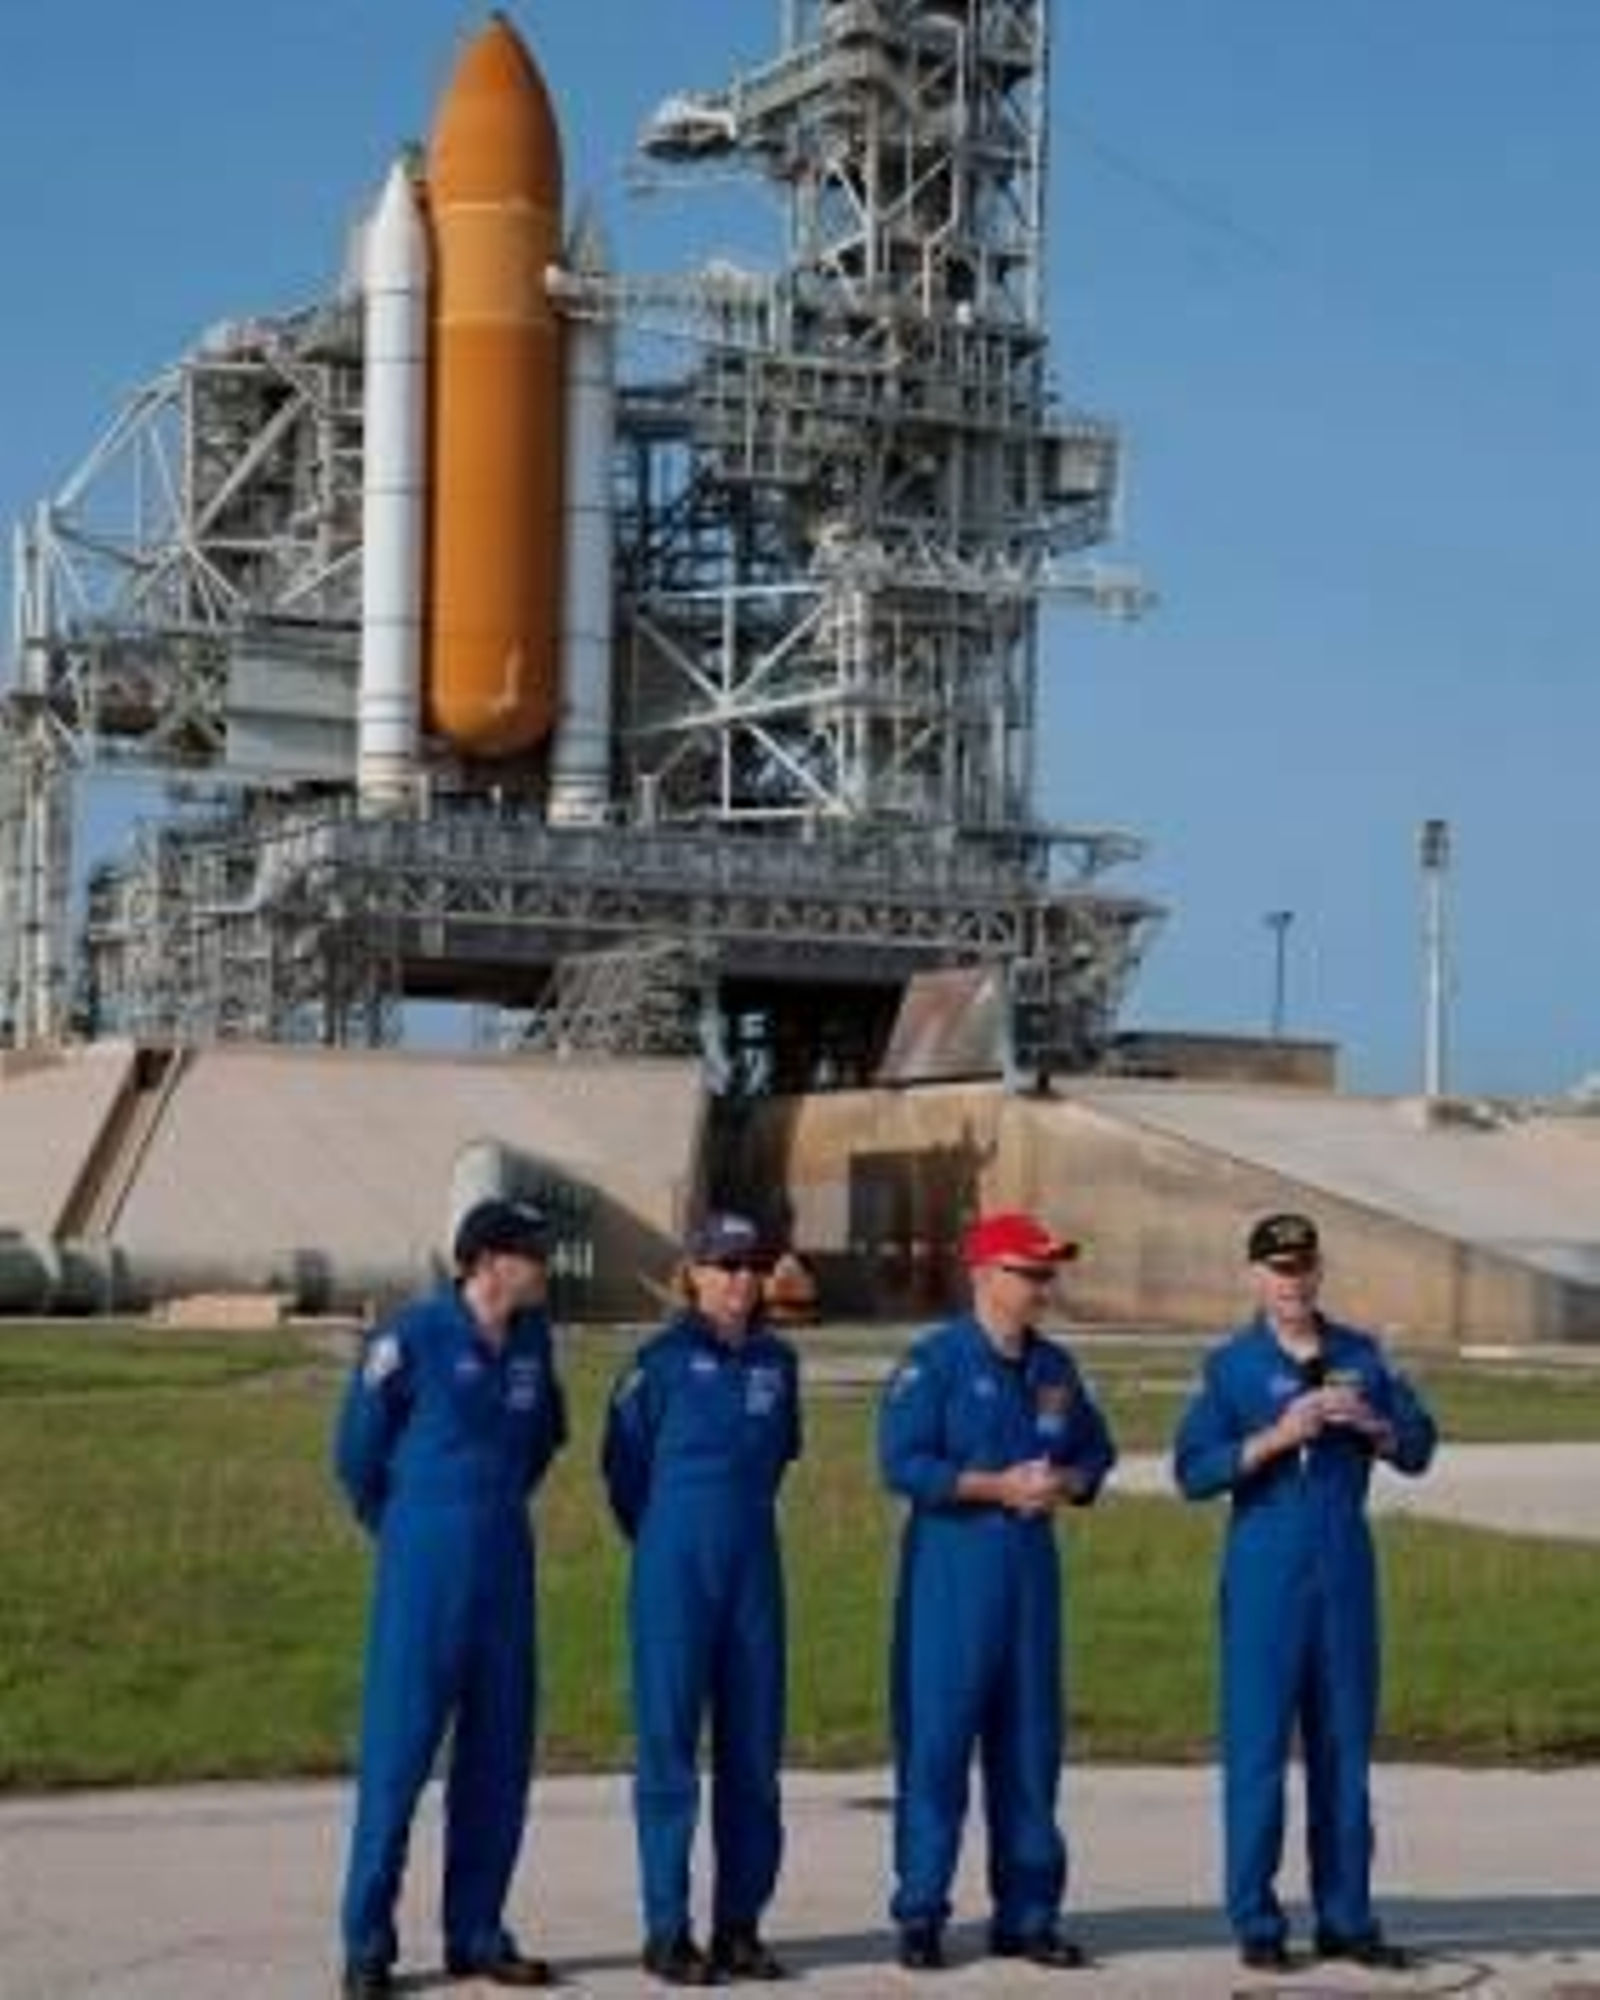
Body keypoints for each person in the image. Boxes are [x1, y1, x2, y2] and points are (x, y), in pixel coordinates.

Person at [1172, 1212, 1438, 1974]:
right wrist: (1278, 1436)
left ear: (1319, 1272)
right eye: (1279, 1270)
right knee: (1257, 1749)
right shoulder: (1230, 1366)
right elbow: (1193, 1471)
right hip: (1266, 1564)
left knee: (1344, 1750)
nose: (1293, 1283)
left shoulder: (1361, 1354)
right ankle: (1257, 1920)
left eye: (1304, 1268)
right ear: (1256, 1277)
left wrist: (1377, 1425)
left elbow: (1420, 1446)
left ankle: (1346, 1916)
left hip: (1344, 1563)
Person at [334, 1198, 567, 1997]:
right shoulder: (412, 1337)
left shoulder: (535, 1341)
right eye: (534, 1252)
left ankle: (477, 1931)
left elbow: (542, 1441)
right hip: (425, 1566)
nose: (546, 1265)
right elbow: (357, 1454)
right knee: (398, 1758)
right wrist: (405, 1526)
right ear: (488, 1260)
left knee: (499, 1759)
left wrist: (493, 1506)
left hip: (505, 1564)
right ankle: (368, 1945)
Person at [878, 1209, 1116, 1974]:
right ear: (985, 1275)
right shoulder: (936, 1362)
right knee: (938, 1746)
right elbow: (902, 1461)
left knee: (1030, 1746)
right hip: (954, 1571)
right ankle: (921, 1913)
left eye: (1049, 1272)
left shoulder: (1055, 1369)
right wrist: (991, 1486)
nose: (1044, 1286)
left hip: (1029, 1577)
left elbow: (1096, 1449)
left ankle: (1028, 1913)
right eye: (1031, 1271)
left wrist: (1069, 1481)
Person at [602, 1211, 802, 1987]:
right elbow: (624, 1475)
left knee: (753, 1753)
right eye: (723, 1266)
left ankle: (740, 1926)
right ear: (693, 1275)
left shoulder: (778, 1366)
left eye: (751, 1267)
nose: (740, 1281)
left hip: (753, 1569)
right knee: (669, 1752)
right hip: (673, 1572)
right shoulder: (655, 1364)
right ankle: (666, 1929)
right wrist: (667, 1545)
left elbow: (779, 1456)